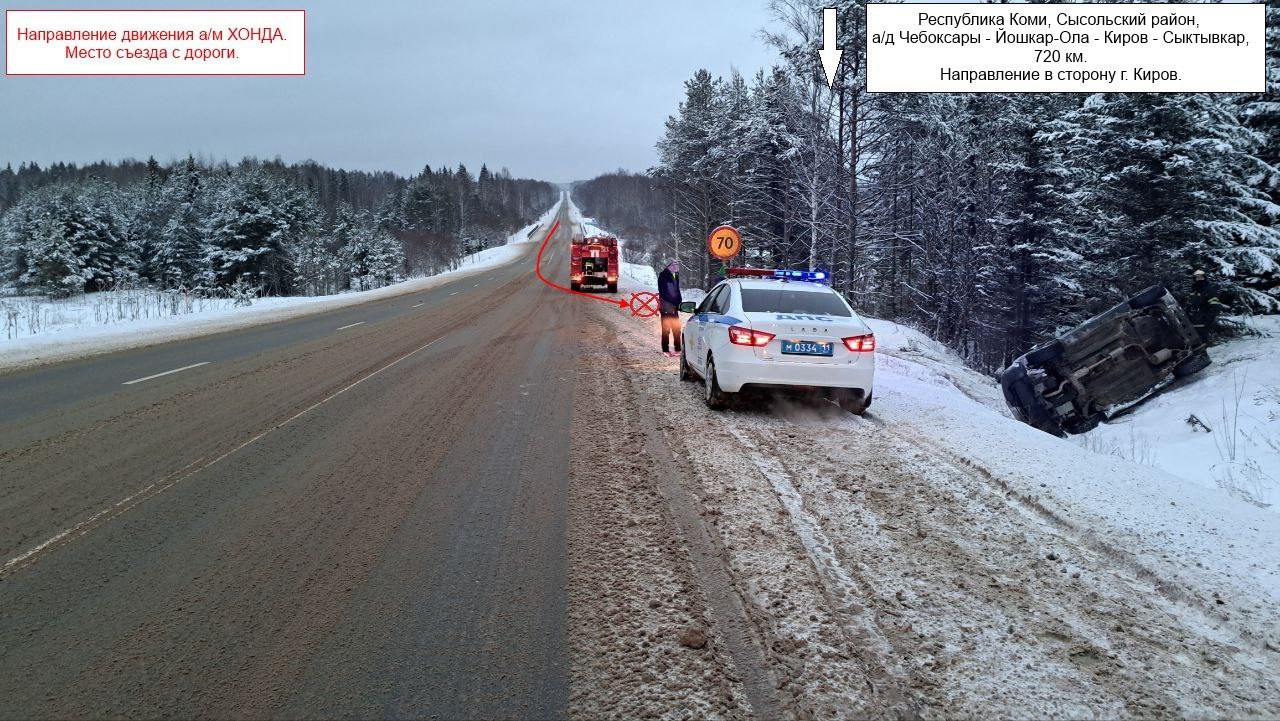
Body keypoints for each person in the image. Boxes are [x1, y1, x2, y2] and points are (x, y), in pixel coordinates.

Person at [1186, 268, 1227, 340]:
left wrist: (1208, 320)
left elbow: (1215, 306)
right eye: (1197, 277)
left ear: (1204, 278)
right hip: (1192, 322)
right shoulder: (1193, 291)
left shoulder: (1209, 290)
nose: (1199, 279)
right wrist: (1186, 314)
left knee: (1202, 343)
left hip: (1203, 323)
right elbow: (1189, 304)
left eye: (1201, 277)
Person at [657, 260, 683, 356]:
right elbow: (663, 293)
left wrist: (679, 300)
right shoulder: (663, 276)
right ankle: (665, 349)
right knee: (666, 329)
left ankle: (678, 349)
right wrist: (674, 301)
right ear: (668, 266)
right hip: (666, 307)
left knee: (677, 328)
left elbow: (677, 290)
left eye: (677, 265)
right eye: (674, 265)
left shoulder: (675, 275)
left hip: (674, 307)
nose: (676, 267)